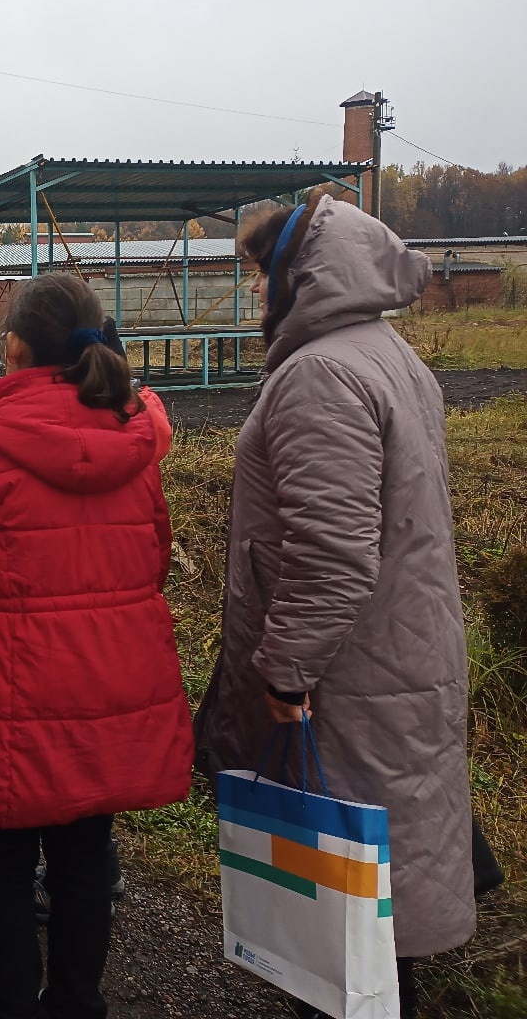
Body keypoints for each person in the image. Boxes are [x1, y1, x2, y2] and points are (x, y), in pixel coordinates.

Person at [194, 189, 475, 1019]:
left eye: (255, 274)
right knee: (374, 897)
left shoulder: (321, 374)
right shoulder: (388, 353)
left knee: (346, 901)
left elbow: (333, 551)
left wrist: (284, 670)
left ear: (297, 273)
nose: (252, 293)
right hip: (400, 652)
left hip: (347, 679)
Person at [0, 273, 193, 1019]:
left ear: (11, 346)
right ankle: (77, 1002)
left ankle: (10, 1002)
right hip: (105, 688)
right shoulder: (132, 437)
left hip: (2, 690)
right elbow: (153, 561)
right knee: (82, 861)